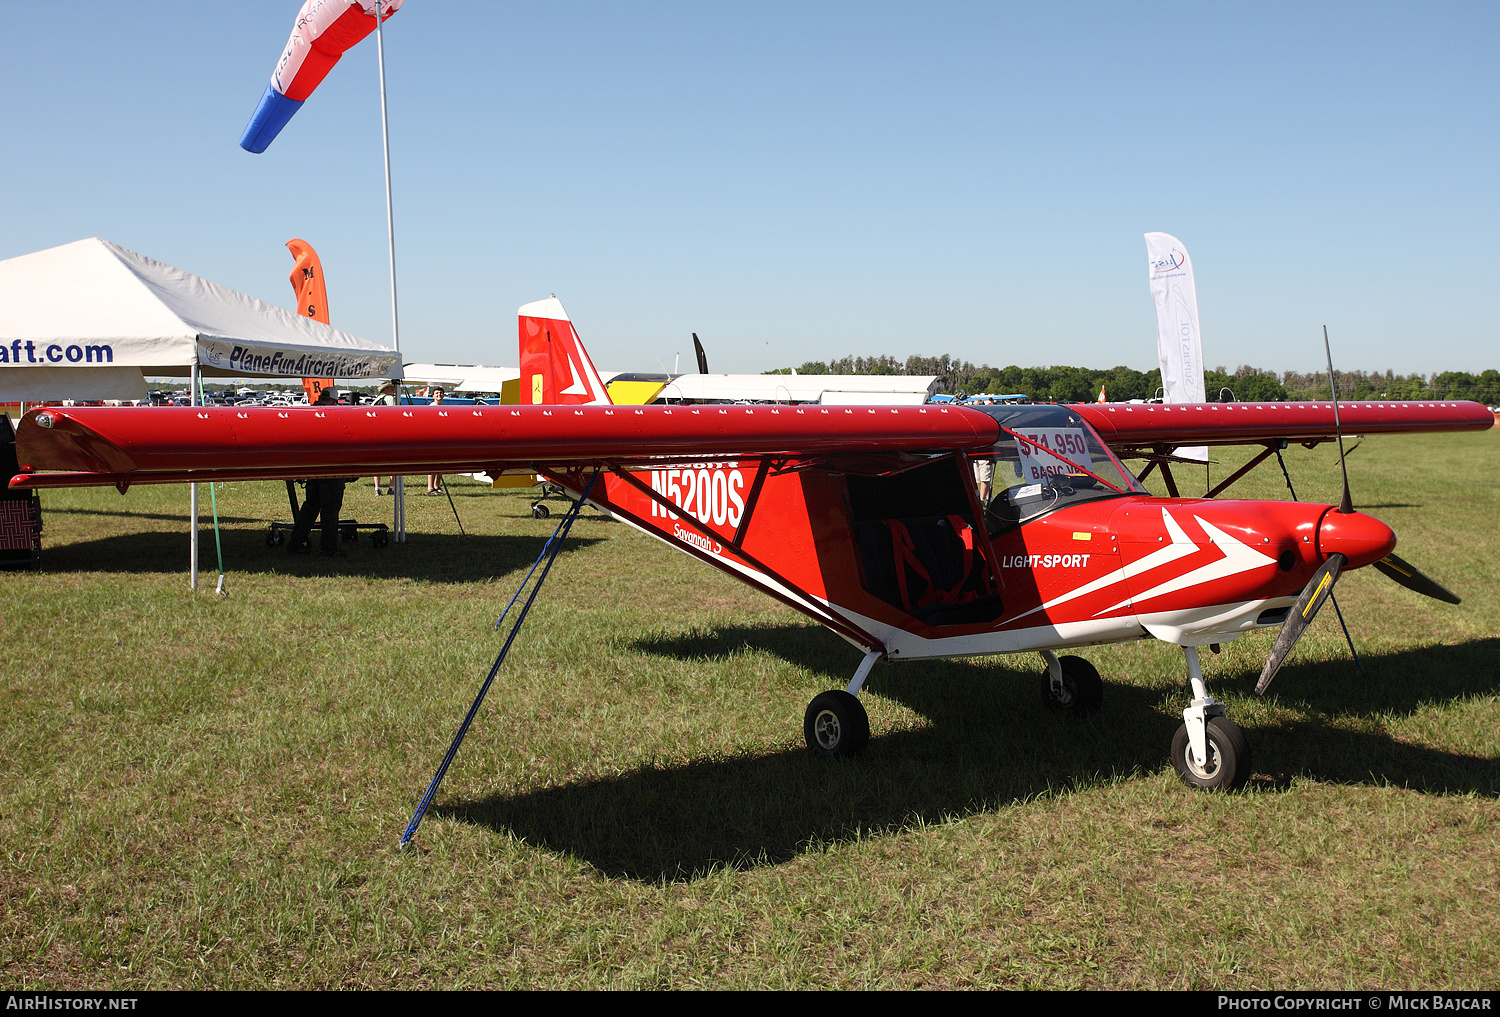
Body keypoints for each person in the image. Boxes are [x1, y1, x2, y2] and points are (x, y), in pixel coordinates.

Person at [288, 389, 351, 557]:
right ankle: (329, 548)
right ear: (334, 401)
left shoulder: (308, 413)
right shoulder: (333, 415)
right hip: (331, 467)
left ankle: (296, 542)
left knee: (311, 506)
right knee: (330, 509)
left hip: (314, 467)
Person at [372, 380, 398, 495]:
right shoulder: (390, 399)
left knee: (377, 462)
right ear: (386, 390)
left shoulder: (375, 401)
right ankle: (391, 487)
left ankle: (377, 488)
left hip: (376, 434)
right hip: (388, 434)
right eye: (391, 389)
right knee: (393, 462)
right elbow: (393, 416)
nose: (393, 391)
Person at [426, 387, 446, 494]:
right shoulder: (432, 408)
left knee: (441, 464)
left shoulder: (443, 408)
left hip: (441, 439)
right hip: (433, 439)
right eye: (437, 393)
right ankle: (430, 487)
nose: (439, 395)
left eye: (441, 393)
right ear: (433, 396)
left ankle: (436, 486)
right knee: (433, 463)